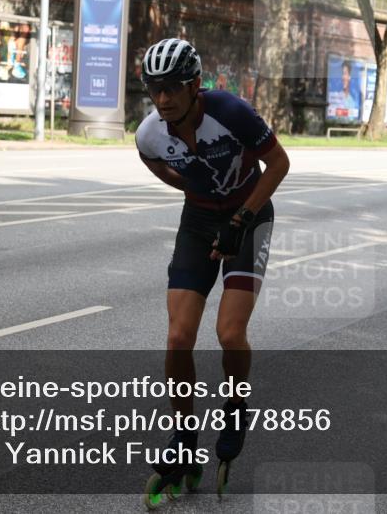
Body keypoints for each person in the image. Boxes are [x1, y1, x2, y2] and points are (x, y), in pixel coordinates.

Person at [134, 38, 289, 502]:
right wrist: (203, 197)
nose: (164, 99)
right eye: (155, 89)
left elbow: (279, 162)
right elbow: (166, 171)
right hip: (199, 222)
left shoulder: (230, 111)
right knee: (178, 336)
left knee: (228, 332)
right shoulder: (148, 136)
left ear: (194, 86)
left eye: (173, 88)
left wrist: (241, 218)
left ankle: (236, 406)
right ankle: (184, 439)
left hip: (251, 214)